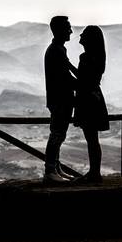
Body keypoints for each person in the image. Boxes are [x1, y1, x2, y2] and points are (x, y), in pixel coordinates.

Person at [73, 25, 110, 183]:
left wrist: (66, 65)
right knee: (93, 139)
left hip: (87, 100)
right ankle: (95, 172)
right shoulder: (99, 58)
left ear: (89, 39)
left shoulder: (85, 57)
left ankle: (94, 173)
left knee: (91, 138)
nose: (80, 37)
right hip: (95, 98)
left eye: (83, 35)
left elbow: (81, 79)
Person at [44, 15, 77, 183]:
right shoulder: (56, 50)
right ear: (59, 30)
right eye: (68, 27)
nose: (71, 31)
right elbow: (65, 77)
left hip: (59, 99)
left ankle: (55, 168)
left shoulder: (58, 49)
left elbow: (67, 71)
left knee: (59, 134)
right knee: (57, 134)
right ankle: (50, 171)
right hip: (61, 100)